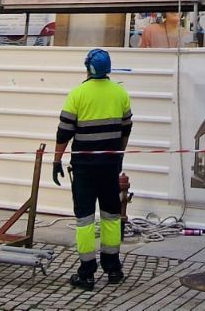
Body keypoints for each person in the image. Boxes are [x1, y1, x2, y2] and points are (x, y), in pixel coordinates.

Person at [53, 49, 132, 290]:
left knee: (85, 218)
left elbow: (64, 132)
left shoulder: (78, 93)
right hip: (109, 166)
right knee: (111, 215)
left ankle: (86, 272)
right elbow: (126, 129)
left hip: (84, 167)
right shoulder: (120, 93)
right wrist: (118, 157)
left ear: (87, 67)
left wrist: (56, 160)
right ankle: (114, 268)